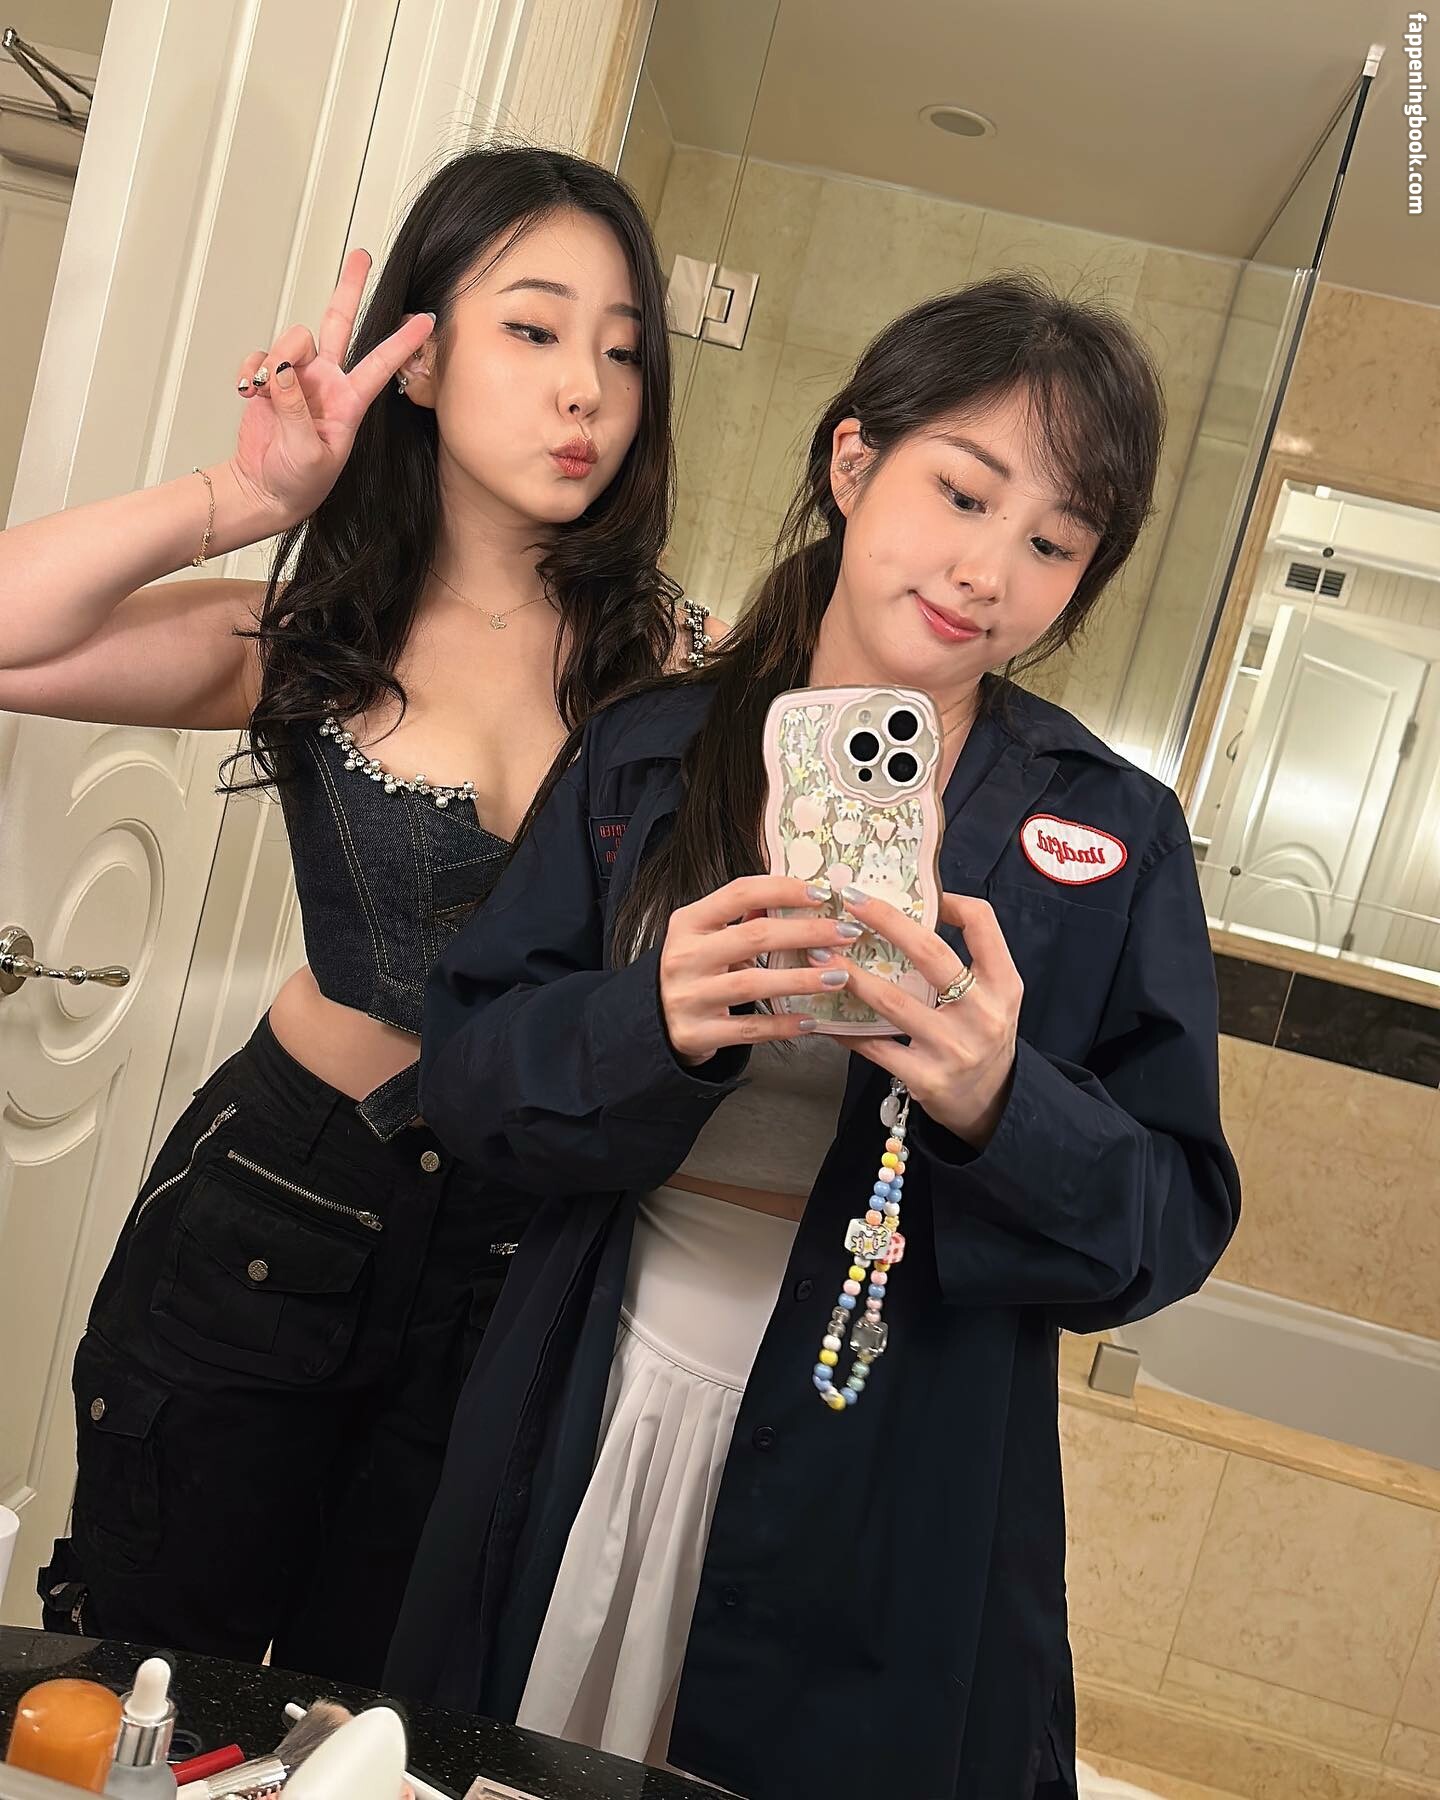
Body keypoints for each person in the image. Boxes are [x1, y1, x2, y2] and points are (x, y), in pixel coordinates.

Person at [388, 273, 1242, 1799]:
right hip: (599, 1388)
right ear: (854, 462)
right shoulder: (649, 754)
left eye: (1053, 543)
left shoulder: (1115, 834)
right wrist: (648, 1019)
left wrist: (1002, 1101)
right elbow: (466, 1078)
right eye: (962, 494)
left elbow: (1166, 1229)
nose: (988, 571)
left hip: (900, 1457)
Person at [1, 143, 717, 1682]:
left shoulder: (675, 667)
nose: (586, 388)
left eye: (622, 349)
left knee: (387, 1729)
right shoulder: (314, 636)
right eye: (535, 328)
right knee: (149, 1695)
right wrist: (248, 495)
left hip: (518, 1254)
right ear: (421, 359)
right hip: (281, 1214)